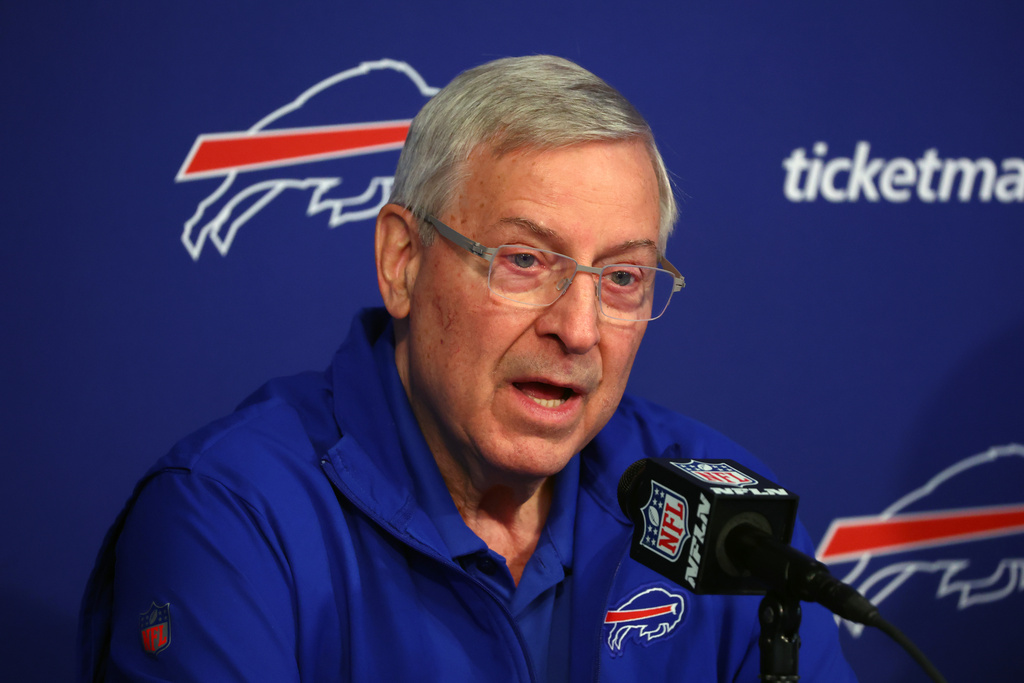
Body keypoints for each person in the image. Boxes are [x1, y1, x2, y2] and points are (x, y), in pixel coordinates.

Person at [79, 55, 857, 682]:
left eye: (622, 277)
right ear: (404, 261)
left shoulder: (722, 513)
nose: (579, 329)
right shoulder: (231, 518)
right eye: (524, 261)